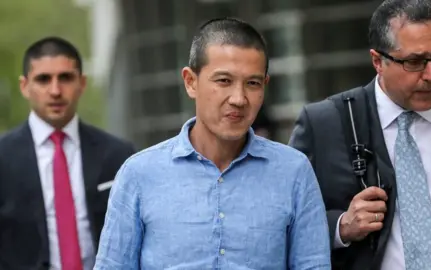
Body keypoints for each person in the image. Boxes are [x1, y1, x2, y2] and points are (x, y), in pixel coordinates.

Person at [94, 17, 331, 269]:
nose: (239, 98)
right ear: (190, 82)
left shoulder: (293, 171)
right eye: (223, 81)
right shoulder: (139, 174)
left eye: (252, 83)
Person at [289, 0, 431, 269]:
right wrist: (341, 227)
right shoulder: (324, 124)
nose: (430, 74)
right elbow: (285, 220)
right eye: (414, 62)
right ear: (378, 61)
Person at [0, 37, 135, 270]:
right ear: (25, 86)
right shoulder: (3, 158)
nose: (55, 90)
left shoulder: (118, 154)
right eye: (43, 79)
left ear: (81, 83)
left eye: (65, 78)